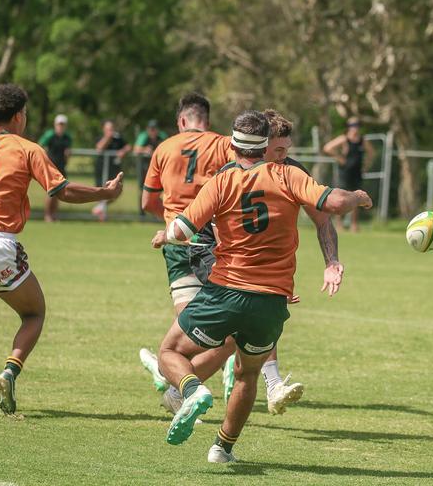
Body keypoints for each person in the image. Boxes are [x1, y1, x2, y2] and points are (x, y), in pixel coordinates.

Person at [151, 110, 372, 463]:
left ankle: (192, 391)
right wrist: (359, 196)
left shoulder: (222, 180)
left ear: (233, 144)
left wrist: (165, 235)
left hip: (226, 290)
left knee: (169, 354)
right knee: (248, 374)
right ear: (265, 145)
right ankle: (222, 449)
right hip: (272, 301)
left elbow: (182, 230)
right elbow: (334, 203)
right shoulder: (288, 176)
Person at [0, 84, 123, 414]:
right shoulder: (28, 149)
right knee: (34, 313)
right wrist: (105, 193)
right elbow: (62, 192)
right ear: (20, 115)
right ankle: (10, 370)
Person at [138, 92, 234, 395]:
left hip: (176, 243)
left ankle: (168, 371)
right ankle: (174, 379)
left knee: (187, 322)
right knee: (226, 326)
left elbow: (147, 201)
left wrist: (172, 226)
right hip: (213, 242)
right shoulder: (221, 144)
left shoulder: (164, 148)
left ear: (182, 120)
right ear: (206, 119)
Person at [323, 117, 375, 232]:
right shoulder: (344, 139)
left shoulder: (362, 140)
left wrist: (366, 165)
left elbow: (371, 152)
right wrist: (339, 158)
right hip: (345, 172)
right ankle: (339, 224)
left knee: (357, 198)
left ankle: (354, 224)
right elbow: (327, 148)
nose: (355, 128)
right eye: (352, 125)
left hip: (357, 172)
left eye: (357, 125)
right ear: (348, 127)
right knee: (341, 198)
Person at [92, 120, 131, 221]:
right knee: (102, 192)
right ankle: (101, 214)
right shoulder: (101, 138)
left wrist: (123, 151)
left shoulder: (118, 138)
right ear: (104, 130)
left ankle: (100, 208)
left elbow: (128, 146)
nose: (111, 131)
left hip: (114, 170)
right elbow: (99, 148)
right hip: (101, 170)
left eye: (112, 129)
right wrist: (107, 138)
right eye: (108, 129)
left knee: (117, 191)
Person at [39, 114, 72, 222]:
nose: (60, 126)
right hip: (51, 168)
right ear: (55, 124)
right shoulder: (50, 135)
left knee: (60, 193)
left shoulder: (67, 137)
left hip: (62, 167)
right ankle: (47, 215)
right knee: (51, 193)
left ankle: (54, 215)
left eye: (63, 124)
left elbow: (68, 150)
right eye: (59, 124)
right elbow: (40, 146)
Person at [134, 120, 168, 214]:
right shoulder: (143, 136)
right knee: (143, 189)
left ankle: (159, 212)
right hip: (145, 167)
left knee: (162, 190)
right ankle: (142, 213)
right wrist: (145, 149)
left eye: (154, 129)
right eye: (151, 129)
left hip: (159, 168)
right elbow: (136, 149)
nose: (152, 131)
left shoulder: (162, 136)